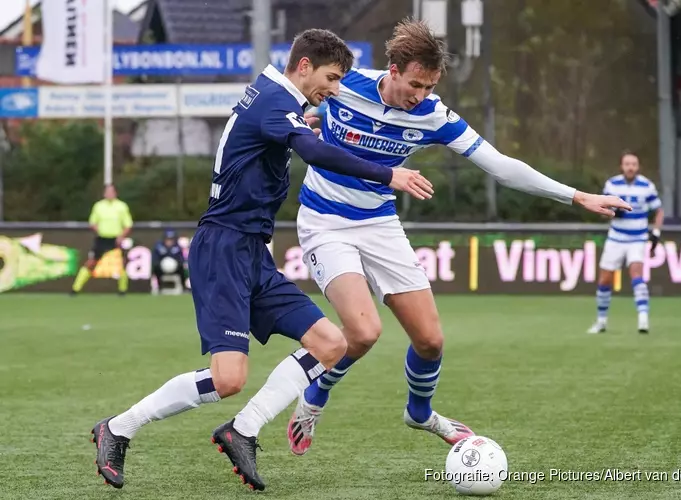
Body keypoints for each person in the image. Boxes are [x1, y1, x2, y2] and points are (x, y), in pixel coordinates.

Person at [235, 18, 632, 458]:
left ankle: (420, 413)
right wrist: (309, 117)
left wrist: (576, 195)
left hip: (381, 224)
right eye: (415, 85)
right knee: (363, 334)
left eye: (429, 86)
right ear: (394, 68)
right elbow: (299, 100)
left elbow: (500, 165)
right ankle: (315, 396)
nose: (420, 96)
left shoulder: (434, 116)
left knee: (430, 341)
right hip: (324, 222)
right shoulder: (346, 84)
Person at [89, 29, 433, 491]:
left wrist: (301, 126)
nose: (333, 90)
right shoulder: (273, 99)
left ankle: (242, 430)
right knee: (228, 379)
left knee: (332, 343)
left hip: (252, 251)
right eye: (331, 78)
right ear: (304, 66)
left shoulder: (273, 96)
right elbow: (313, 153)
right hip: (224, 250)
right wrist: (388, 173)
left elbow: (287, 135)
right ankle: (118, 428)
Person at [587, 151, 663, 334]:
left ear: (638, 166)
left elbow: (658, 211)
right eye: (627, 164)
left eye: (634, 164)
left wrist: (656, 233)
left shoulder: (647, 186)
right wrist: (613, 211)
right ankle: (601, 321)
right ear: (622, 166)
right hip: (616, 238)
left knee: (636, 273)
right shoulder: (612, 184)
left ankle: (643, 319)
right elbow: (603, 207)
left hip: (637, 238)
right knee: (605, 278)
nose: (630, 167)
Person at [70, 184, 132, 296]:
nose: (109, 194)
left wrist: (121, 236)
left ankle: (122, 290)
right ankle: (75, 289)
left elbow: (128, 225)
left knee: (121, 264)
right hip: (102, 239)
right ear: (104, 193)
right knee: (91, 263)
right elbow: (92, 222)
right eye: (107, 192)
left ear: (115, 193)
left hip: (115, 239)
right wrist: (98, 230)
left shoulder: (122, 206)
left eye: (111, 191)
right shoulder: (98, 206)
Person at [151, 228, 187, 293]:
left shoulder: (177, 247)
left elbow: (181, 259)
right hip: (161, 268)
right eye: (167, 239)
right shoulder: (159, 247)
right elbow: (155, 259)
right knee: (155, 268)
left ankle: (183, 286)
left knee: (182, 268)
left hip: (176, 268)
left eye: (171, 239)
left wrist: (177, 263)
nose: (169, 241)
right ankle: (159, 286)